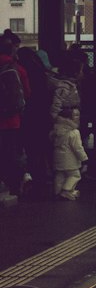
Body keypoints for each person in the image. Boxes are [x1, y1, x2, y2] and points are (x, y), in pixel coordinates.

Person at [17, 46, 54, 196]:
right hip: (43, 117)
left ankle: (36, 183)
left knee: (32, 151)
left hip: (29, 118)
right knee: (41, 149)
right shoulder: (42, 74)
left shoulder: (25, 73)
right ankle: (43, 181)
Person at [0, 36, 30, 204]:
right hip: (12, 120)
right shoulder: (16, 68)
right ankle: (14, 185)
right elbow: (26, 93)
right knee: (11, 152)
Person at [51, 113, 88, 200]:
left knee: (60, 175)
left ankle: (57, 192)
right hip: (69, 160)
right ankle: (66, 190)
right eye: (75, 115)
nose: (78, 117)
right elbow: (78, 148)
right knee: (75, 175)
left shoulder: (56, 130)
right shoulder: (74, 132)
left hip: (57, 158)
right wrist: (84, 158)